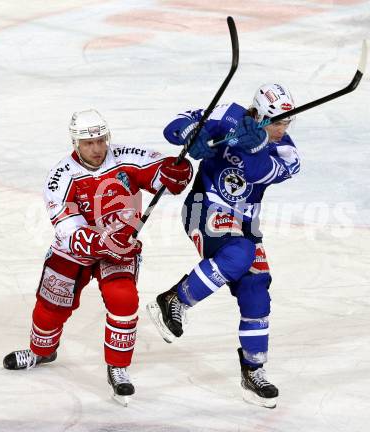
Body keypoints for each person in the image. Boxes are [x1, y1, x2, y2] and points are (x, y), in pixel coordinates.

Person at [3, 109, 193, 406]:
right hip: (73, 253)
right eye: (88, 143)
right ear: (75, 143)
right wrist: (100, 242)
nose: (97, 149)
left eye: (101, 140)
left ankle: (118, 368)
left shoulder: (126, 157)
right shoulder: (61, 175)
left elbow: (162, 173)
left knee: (124, 300)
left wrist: (177, 173)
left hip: (119, 251)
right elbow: (67, 226)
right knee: (48, 308)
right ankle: (42, 351)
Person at [147, 83, 300, 408]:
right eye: (276, 121)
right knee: (239, 255)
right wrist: (192, 133)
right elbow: (175, 125)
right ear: (258, 113)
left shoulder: (287, 151)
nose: (282, 129)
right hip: (205, 207)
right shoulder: (228, 115)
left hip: (245, 222)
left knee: (255, 288)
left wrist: (256, 146)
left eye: (287, 122)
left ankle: (253, 371)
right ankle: (174, 300)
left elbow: (259, 172)